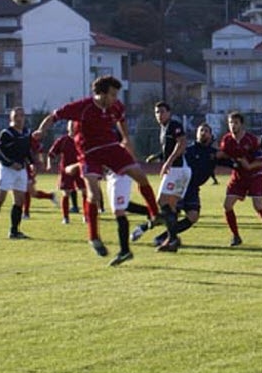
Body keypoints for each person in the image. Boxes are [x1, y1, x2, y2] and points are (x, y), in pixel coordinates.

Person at [33, 75, 160, 258]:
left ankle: (155, 214)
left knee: (140, 175)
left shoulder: (115, 106)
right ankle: (93, 237)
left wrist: (126, 138)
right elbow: (54, 116)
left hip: (111, 147)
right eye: (113, 94)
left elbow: (121, 120)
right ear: (101, 93)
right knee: (93, 193)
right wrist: (41, 130)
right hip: (89, 153)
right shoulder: (82, 107)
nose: (115, 98)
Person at [135, 122, 227, 247]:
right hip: (181, 185)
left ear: (211, 135)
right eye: (201, 130)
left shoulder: (214, 154)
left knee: (193, 216)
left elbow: (230, 162)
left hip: (193, 189)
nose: (203, 133)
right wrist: (157, 156)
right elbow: (174, 152)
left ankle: (163, 237)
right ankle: (143, 228)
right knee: (169, 214)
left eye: (206, 131)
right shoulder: (189, 149)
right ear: (196, 134)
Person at [219, 111, 262, 247]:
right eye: (230, 123)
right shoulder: (227, 140)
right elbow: (223, 154)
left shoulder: (251, 139)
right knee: (227, 205)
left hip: (254, 176)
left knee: (258, 206)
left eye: (236, 123)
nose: (233, 125)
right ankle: (236, 236)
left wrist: (249, 166)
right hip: (238, 176)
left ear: (241, 124)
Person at [142, 101, 189, 252]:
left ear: (169, 113)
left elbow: (182, 144)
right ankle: (172, 240)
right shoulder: (164, 128)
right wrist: (157, 157)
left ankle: (172, 238)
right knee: (171, 206)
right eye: (157, 112)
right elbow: (169, 149)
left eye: (162, 111)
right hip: (178, 170)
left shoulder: (174, 125)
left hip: (177, 169)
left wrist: (168, 162)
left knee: (161, 202)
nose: (159, 115)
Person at [0, 107, 32, 240]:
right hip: (7, 169)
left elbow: (27, 150)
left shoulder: (27, 132)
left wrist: (31, 163)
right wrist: (11, 163)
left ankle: (14, 231)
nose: (19, 118)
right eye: (16, 116)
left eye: (21, 115)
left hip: (21, 170)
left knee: (19, 200)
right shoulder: (6, 133)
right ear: (11, 118)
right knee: (0, 198)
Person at [46, 120, 87, 224]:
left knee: (85, 191)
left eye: (74, 125)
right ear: (67, 127)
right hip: (66, 170)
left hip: (80, 168)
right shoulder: (63, 140)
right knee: (66, 193)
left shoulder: (82, 139)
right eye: (70, 125)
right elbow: (51, 153)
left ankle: (86, 216)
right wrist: (49, 164)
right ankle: (65, 217)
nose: (72, 127)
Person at [21, 135, 58, 219]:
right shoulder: (15, 139)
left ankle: (26, 213)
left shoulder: (31, 142)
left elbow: (38, 155)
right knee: (32, 193)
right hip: (16, 168)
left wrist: (37, 165)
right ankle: (50, 196)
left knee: (26, 190)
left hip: (27, 168)